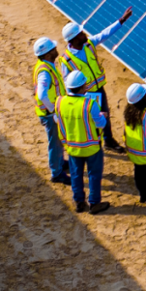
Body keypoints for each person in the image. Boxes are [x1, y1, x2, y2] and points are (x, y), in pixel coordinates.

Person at [59, 7, 134, 154]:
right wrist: (75, 99)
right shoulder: (66, 60)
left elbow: (104, 34)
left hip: (99, 90)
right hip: (84, 95)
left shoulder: (88, 44)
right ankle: (92, 144)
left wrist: (121, 20)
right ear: (74, 39)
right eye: (80, 33)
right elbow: (67, 83)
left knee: (104, 115)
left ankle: (108, 141)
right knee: (89, 119)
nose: (84, 33)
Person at [55, 70, 110, 214]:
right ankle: (94, 203)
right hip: (91, 147)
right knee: (94, 175)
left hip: (72, 147)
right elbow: (101, 124)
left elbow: (58, 119)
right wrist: (102, 116)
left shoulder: (60, 102)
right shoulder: (90, 104)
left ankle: (79, 202)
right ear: (82, 87)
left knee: (76, 175)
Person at [33, 37, 69, 185]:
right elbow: (42, 94)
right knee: (55, 143)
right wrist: (53, 111)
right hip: (50, 115)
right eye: (53, 49)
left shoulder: (45, 65)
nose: (56, 50)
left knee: (58, 141)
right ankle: (56, 173)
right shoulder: (44, 72)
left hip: (51, 113)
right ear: (47, 55)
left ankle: (60, 162)